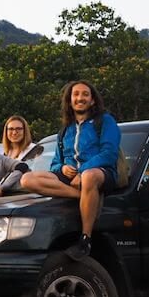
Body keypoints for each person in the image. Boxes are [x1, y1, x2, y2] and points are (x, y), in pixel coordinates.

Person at [20, 81, 121, 261]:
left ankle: (85, 238)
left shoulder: (105, 121)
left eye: (85, 94)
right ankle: (82, 196)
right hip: (71, 178)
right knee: (27, 179)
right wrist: (63, 168)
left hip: (100, 173)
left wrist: (83, 169)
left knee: (89, 177)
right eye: (76, 94)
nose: (80, 98)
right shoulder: (65, 129)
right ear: (70, 100)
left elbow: (109, 153)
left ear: (92, 100)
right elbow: (55, 164)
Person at [0, 115, 40, 194]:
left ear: (25, 131)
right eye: (11, 129)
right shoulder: (5, 153)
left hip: (26, 193)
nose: (14, 132)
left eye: (18, 129)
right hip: (6, 195)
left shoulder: (35, 150)